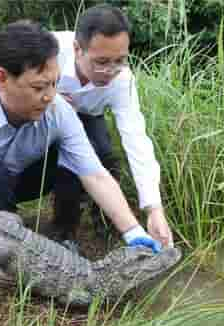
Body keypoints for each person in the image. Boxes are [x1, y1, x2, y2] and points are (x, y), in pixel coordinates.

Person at [0, 21, 163, 254]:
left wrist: (133, 231)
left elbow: (95, 175)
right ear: (2, 78)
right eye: (39, 88)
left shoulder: (59, 111)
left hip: (29, 180)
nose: (50, 96)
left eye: (54, 84)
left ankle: (63, 233)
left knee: (76, 155)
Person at [52, 4, 173, 248]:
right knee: (69, 160)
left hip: (90, 114)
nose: (110, 71)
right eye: (101, 61)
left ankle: (109, 226)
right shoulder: (49, 50)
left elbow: (136, 139)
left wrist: (154, 208)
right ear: (77, 49)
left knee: (105, 157)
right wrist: (50, 98)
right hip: (45, 110)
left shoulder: (122, 79)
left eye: (120, 60)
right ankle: (64, 232)